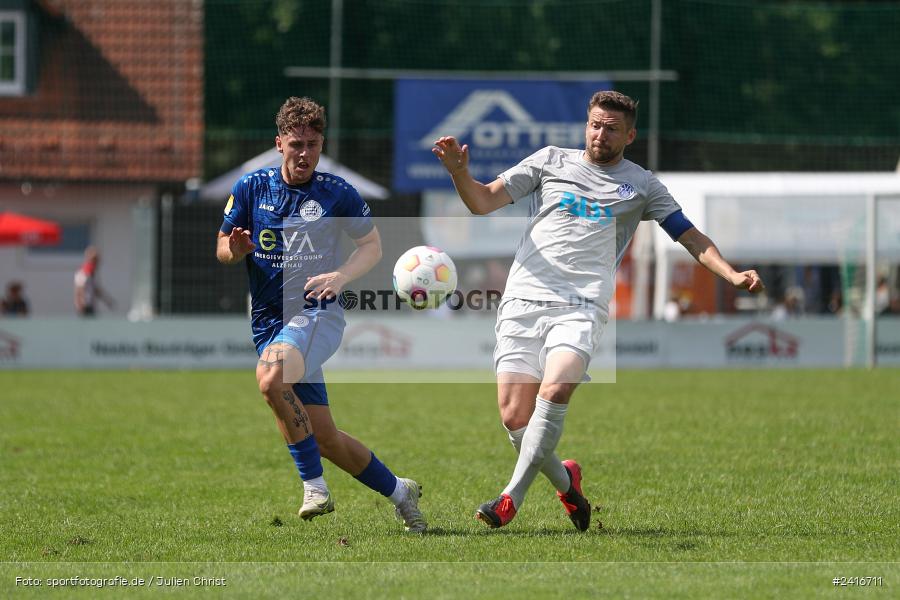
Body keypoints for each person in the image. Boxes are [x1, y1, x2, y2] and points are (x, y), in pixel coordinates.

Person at [432, 90, 765, 531]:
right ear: (585, 124)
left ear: (630, 134)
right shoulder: (550, 160)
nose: (600, 134)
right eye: (595, 124)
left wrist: (731, 274)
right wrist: (460, 174)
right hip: (523, 300)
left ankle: (511, 496)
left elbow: (690, 236)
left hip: (581, 305)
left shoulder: (643, 185)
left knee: (555, 390)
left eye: (611, 128)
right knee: (515, 418)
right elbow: (483, 201)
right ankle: (567, 482)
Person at [216, 96, 426, 532]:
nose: (305, 153)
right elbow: (221, 249)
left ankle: (315, 488)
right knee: (324, 437)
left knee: (272, 379)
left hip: (317, 315)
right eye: (296, 144)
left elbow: (372, 246)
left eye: (313, 144)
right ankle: (399, 491)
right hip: (269, 323)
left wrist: (340, 276)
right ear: (279, 144)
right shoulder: (252, 189)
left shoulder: (336, 193)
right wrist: (234, 251)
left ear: (321, 143)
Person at [74, 246, 115, 316]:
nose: (97, 262)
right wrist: (80, 304)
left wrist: (107, 301)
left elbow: (96, 290)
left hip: (90, 306)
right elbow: (79, 289)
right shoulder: (84, 272)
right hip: (84, 307)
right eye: (95, 260)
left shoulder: (92, 273)